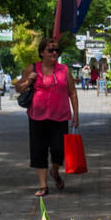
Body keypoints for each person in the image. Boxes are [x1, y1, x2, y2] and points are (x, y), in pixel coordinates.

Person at [14, 36, 79, 197]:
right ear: (42, 52)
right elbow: (18, 88)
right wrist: (29, 81)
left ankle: (55, 172)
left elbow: (72, 92)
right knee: (39, 150)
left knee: (59, 150)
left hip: (60, 117)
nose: (54, 52)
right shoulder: (32, 68)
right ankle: (43, 186)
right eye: (50, 50)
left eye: (56, 50)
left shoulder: (64, 70)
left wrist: (76, 114)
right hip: (37, 116)